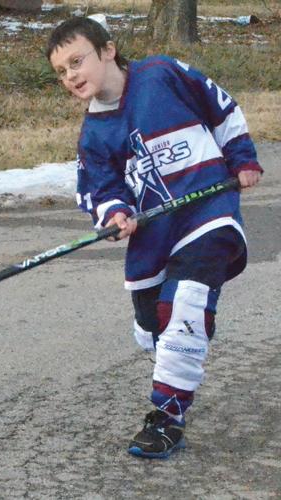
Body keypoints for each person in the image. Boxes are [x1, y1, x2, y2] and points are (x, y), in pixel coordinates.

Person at [45, 16, 263, 459]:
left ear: (108, 50)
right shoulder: (95, 135)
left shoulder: (161, 74)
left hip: (209, 215)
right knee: (157, 323)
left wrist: (241, 156)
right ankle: (177, 326)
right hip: (155, 239)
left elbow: (220, 106)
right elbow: (100, 191)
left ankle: (167, 419)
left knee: (184, 303)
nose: (70, 76)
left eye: (77, 61)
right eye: (61, 71)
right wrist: (116, 214)